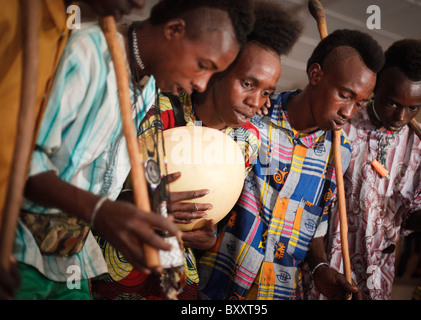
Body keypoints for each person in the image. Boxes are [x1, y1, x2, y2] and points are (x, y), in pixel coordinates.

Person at [12, 0, 255, 299]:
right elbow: (21, 161)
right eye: (203, 66)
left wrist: (151, 206)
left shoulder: (149, 87)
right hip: (19, 253)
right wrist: (100, 211)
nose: (202, 84)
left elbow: (101, 184)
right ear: (174, 30)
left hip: (70, 262)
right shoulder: (88, 53)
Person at [91, 0, 303, 300]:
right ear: (220, 67)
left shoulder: (247, 141)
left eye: (266, 92)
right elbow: (103, 189)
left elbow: (214, 215)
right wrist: (141, 202)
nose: (256, 101)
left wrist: (207, 237)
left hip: (176, 274)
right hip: (120, 258)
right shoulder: (157, 106)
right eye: (247, 83)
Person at [198, 29, 385, 300]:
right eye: (345, 94)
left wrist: (320, 266)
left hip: (281, 292)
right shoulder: (252, 119)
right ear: (316, 75)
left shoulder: (340, 151)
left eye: (359, 103)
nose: (348, 112)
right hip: (217, 286)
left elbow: (315, 223)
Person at [0, 0, 147, 301]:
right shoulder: (83, 46)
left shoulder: (65, 27)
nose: (140, 3)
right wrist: (98, 210)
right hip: (21, 242)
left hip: (68, 254)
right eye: (203, 64)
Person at [304, 39, 421, 300]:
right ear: (376, 85)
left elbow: (411, 217)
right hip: (322, 273)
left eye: (414, 107)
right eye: (393, 103)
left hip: (377, 280)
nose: (401, 117)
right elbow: (309, 204)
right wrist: (319, 264)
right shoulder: (343, 123)